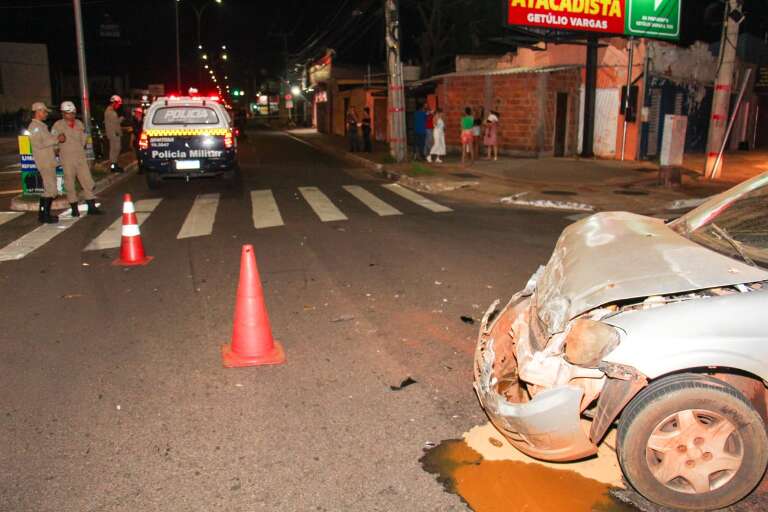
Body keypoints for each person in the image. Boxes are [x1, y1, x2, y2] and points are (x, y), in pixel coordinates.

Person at [52, 101, 103, 217]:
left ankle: (91, 207)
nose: (71, 115)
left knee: (87, 181)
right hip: (67, 158)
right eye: (68, 113)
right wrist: (57, 145)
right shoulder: (58, 125)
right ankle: (74, 208)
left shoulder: (79, 124)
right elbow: (54, 143)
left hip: (80, 157)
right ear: (63, 113)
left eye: (73, 113)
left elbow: (83, 140)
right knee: (69, 184)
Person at [28, 102, 63, 224]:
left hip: (48, 160)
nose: (46, 114)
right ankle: (45, 216)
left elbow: (45, 143)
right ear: (38, 111)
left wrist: (56, 147)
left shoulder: (41, 126)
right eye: (44, 111)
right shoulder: (35, 127)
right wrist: (56, 140)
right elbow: (39, 144)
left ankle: (43, 215)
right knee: (51, 190)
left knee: (48, 190)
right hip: (44, 162)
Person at [104, 94, 124, 173]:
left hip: (112, 134)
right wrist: (121, 119)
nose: (119, 106)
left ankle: (114, 166)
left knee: (114, 150)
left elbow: (113, 123)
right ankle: (113, 166)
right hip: (114, 134)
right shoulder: (111, 112)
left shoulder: (109, 111)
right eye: (118, 104)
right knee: (115, 150)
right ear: (115, 103)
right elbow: (116, 124)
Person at [129, 107, 144, 173]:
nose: (136, 114)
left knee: (143, 154)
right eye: (135, 113)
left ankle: (144, 167)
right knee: (138, 155)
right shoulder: (133, 121)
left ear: (140, 113)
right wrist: (131, 142)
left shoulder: (144, 121)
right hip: (137, 140)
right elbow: (133, 132)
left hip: (144, 140)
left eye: (137, 113)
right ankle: (140, 168)